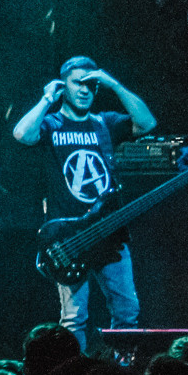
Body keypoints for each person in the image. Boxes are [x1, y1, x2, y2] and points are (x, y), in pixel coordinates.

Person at [11, 56, 158, 353]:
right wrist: (46, 99)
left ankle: (122, 372)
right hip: (69, 237)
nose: (85, 89)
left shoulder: (105, 123)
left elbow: (147, 123)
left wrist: (114, 85)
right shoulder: (52, 123)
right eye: (78, 82)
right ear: (63, 84)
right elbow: (22, 134)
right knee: (75, 317)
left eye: (91, 84)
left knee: (127, 310)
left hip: (109, 232)